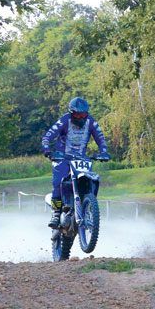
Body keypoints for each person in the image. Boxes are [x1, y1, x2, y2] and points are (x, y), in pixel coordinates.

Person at [41, 97, 109, 228]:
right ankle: (55, 213)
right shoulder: (64, 120)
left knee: (89, 180)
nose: (81, 117)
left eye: (84, 114)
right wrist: (47, 150)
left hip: (81, 159)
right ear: (71, 113)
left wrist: (103, 152)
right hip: (62, 157)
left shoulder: (91, 122)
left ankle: (88, 205)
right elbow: (47, 136)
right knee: (59, 181)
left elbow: (100, 138)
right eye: (78, 114)